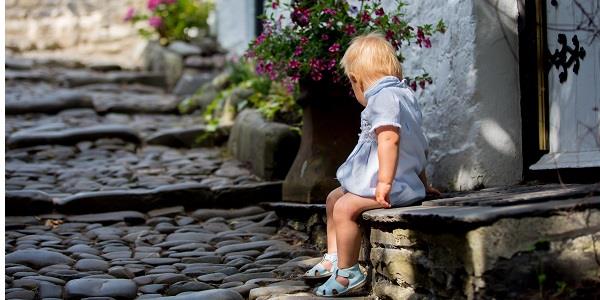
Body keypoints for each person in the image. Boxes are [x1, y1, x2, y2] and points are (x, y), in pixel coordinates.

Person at [303, 32, 440, 297]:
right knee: (333, 197)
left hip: (393, 186)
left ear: (356, 81)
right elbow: (418, 144)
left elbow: (390, 139)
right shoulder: (402, 95)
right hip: (396, 181)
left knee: (343, 207)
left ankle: (348, 272)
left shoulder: (382, 98)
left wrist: (385, 183)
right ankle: (334, 255)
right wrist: (424, 183)